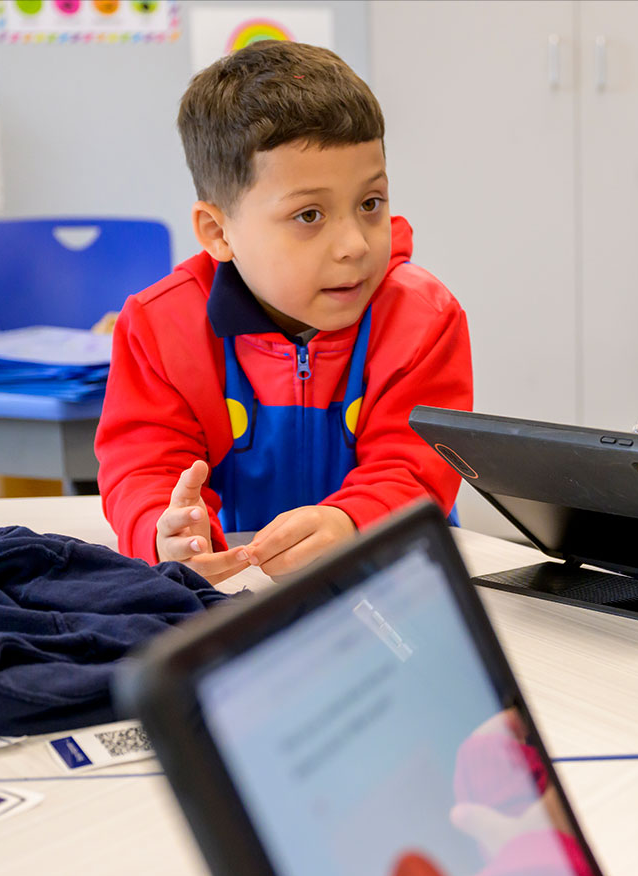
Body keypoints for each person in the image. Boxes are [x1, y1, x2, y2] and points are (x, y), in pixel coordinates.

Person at [95, 41, 472, 583]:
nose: (355, 245)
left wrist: (350, 522)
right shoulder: (160, 328)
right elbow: (144, 468)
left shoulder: (423, 321)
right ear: (219, 232)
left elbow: (414, 470)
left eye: (370, 204)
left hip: (391, 579)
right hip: (233, 593)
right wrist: (165, 530)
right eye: (310, 215)